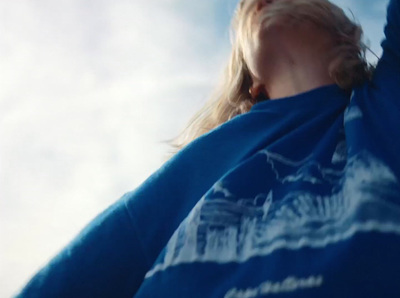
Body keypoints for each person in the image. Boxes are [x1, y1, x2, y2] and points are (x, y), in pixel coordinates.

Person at [16, 0, 400, 297]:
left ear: (349, 34)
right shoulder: (206, 159)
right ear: (254, 84)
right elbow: (77, 277)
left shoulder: (384, 107)